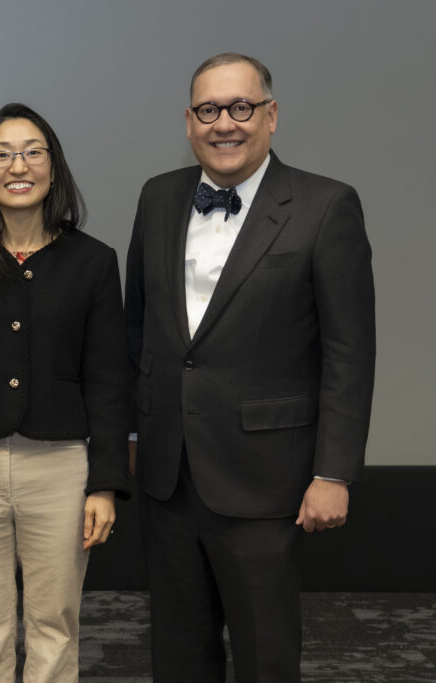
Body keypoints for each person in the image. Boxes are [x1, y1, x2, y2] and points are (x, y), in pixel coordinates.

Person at [124, 53, 376, 682]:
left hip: (267, 482)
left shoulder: (326, 205)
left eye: (241, 107)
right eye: (209, 110)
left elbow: (349, 353)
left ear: (271, 115)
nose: (224, 124)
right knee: (178, 657)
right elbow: (138, 328)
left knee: (266, 659)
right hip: (169, 476)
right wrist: (132, 432)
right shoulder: (157, 197)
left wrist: (334, 472)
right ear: (189, 121)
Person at [0, 103, 131, 682]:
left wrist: (104, 483)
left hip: (61, 467)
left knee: (54, 623)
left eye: (32, 152)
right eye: (1, 155)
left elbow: (109, 379)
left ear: (54, 167)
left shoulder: (93, 262)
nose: (17, 166)